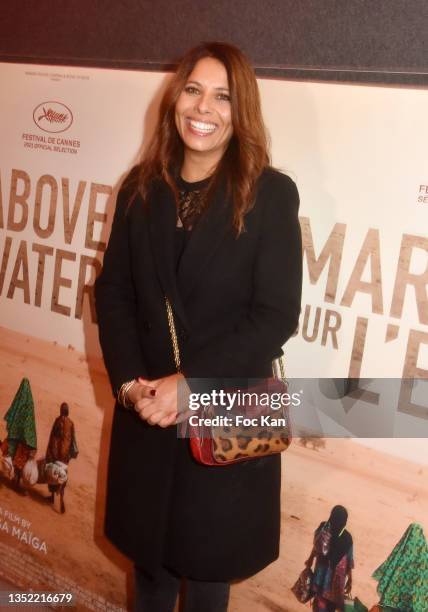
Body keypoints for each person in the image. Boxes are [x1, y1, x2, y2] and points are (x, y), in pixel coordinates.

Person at [95, 41, 302, 612]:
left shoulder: (268, 194)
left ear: (241, 112)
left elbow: (276, 315)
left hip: (223, 411)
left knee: (208, 578)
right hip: (148, 410)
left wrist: (191, 385)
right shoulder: (140, 187)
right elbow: (113, 293)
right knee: (150, 572)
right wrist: (132, 383)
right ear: (174, 97)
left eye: (222, 96)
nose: (202, 108)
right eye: (192, 89)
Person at [305, 505, 353, 611]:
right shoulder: (347, 538)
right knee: (331, 604)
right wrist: (350, 579)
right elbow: (349, 560)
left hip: (320, 575)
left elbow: (316, 547)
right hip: (336, 581)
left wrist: (310, 559)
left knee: (318, 600)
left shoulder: (324, 528)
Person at [371, 523, 428, 612]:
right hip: (412, 603)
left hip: (394, 602)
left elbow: (390, 570)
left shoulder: (401, 552)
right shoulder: (424, 557)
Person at [45, 402, 78, 508]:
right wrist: (71, 454)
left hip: (55, 453)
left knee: (53, 472)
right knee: (63, 474)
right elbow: (73, 440)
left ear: (61, 410)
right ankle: (62, 497)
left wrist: (49, 452)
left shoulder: (57, 420)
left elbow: (52, 437)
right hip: (65, 455)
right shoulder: (71, 423)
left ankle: (52, 496)